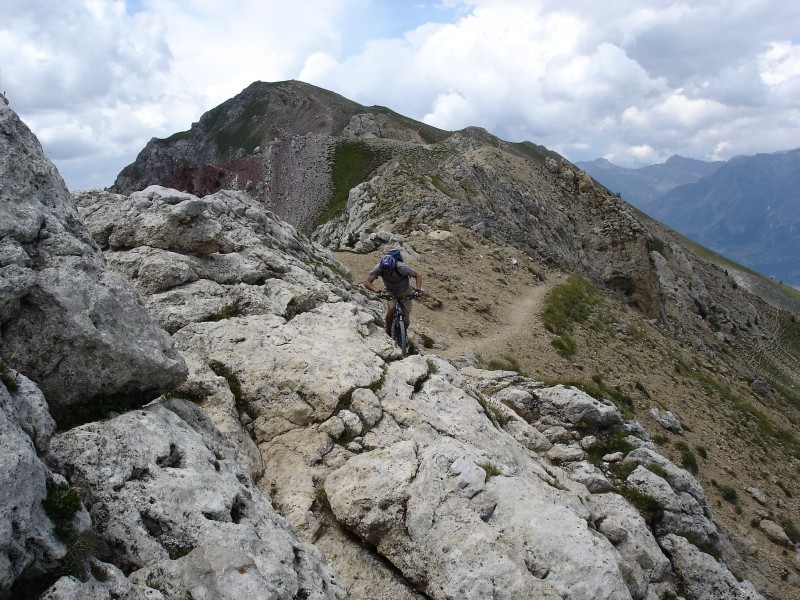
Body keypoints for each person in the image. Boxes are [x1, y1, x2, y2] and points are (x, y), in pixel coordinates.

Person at [364, 251, 423, 337]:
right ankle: (388, 330)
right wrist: (378, 291)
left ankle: (402, 336)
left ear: (393, 266)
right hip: (390, 291)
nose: (387, 273)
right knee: (391, 309)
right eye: (385, 271)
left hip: (405, 291)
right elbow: (367, 283)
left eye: (389, 271)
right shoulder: (378, 268)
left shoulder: (401, 267)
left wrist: (418, 290)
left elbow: (418, 276)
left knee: (406, 320)